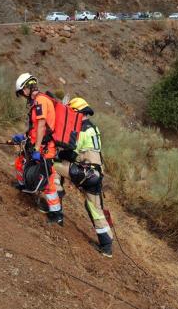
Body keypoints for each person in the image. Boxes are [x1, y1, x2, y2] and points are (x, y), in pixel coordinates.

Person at [54, 97, 113, 258]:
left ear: (76, 113)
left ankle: (55, 212)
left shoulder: (81, 130)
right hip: (96, 174)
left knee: (54, 166)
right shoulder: (94, 128)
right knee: (95, 208)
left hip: (84, 172)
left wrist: (58, 151)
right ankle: (107, 246)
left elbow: (72, 153)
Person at [12, 73, 64, 226]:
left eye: (22, 92)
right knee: (20, 162)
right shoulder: (38, 101)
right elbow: (35, 128)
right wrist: (24, 137)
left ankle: (56, 214)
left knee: (48, 182)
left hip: (44, 148)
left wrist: (36, 149)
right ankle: (23, 185)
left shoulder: (41, 101)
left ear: (27, 88)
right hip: (37, 144)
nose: (22, 96)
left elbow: (42, 126)